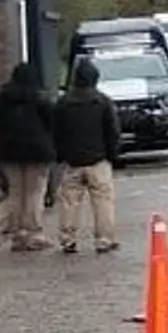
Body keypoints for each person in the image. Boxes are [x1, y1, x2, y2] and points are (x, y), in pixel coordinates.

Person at [54, 57, 121, 254]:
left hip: (73, 161)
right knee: (102, 201)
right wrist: (111, 154)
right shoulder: (102, 101)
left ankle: (68, 239)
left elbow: (56, 131)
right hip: (98, 160)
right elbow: (112, 131)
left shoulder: (64, 102)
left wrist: (61, 155)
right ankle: (104, 239)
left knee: (69, 202)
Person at [0, 63, 56, 252]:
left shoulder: (1, 99)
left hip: (9, 152)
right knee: (35, 192)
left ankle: (18, 233)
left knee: (16, 191)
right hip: (37, 150)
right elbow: (51, 121)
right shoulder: (41, 99)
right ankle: (33, 232)